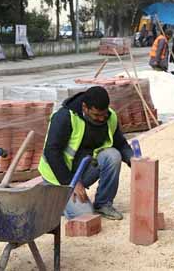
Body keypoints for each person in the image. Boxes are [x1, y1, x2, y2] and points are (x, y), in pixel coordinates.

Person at [38, 86, 133, 220]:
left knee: (113, 155)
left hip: (82, 171)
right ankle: (52, 198)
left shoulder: (110, 117)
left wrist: (132, 159)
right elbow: (51, 152)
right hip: (59, 176)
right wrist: (72, 182)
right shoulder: (65, 117)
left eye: (104, 114)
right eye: (96, 115)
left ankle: (103, 204)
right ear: (85, 107)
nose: (101, 119)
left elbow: (120, 144)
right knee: (86, 216)